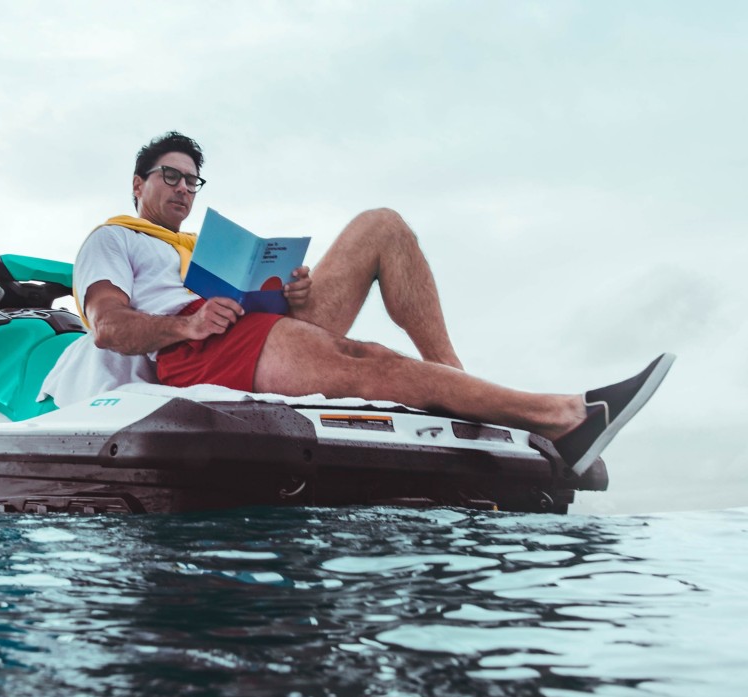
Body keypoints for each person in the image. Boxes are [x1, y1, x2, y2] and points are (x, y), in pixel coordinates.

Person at [38, 131, 674, 475]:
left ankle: (459, 381)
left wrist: (290, 294)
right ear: (138, 184)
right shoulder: (113, 239)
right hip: (196, 346)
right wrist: (190, 325)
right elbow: (109, 328)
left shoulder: (200, 246)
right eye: (169, 176)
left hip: (250, 322)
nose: (182, 188)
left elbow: (250, 302)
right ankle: (564, 416)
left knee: (382, 225)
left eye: (191, 180)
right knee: (366, 359)